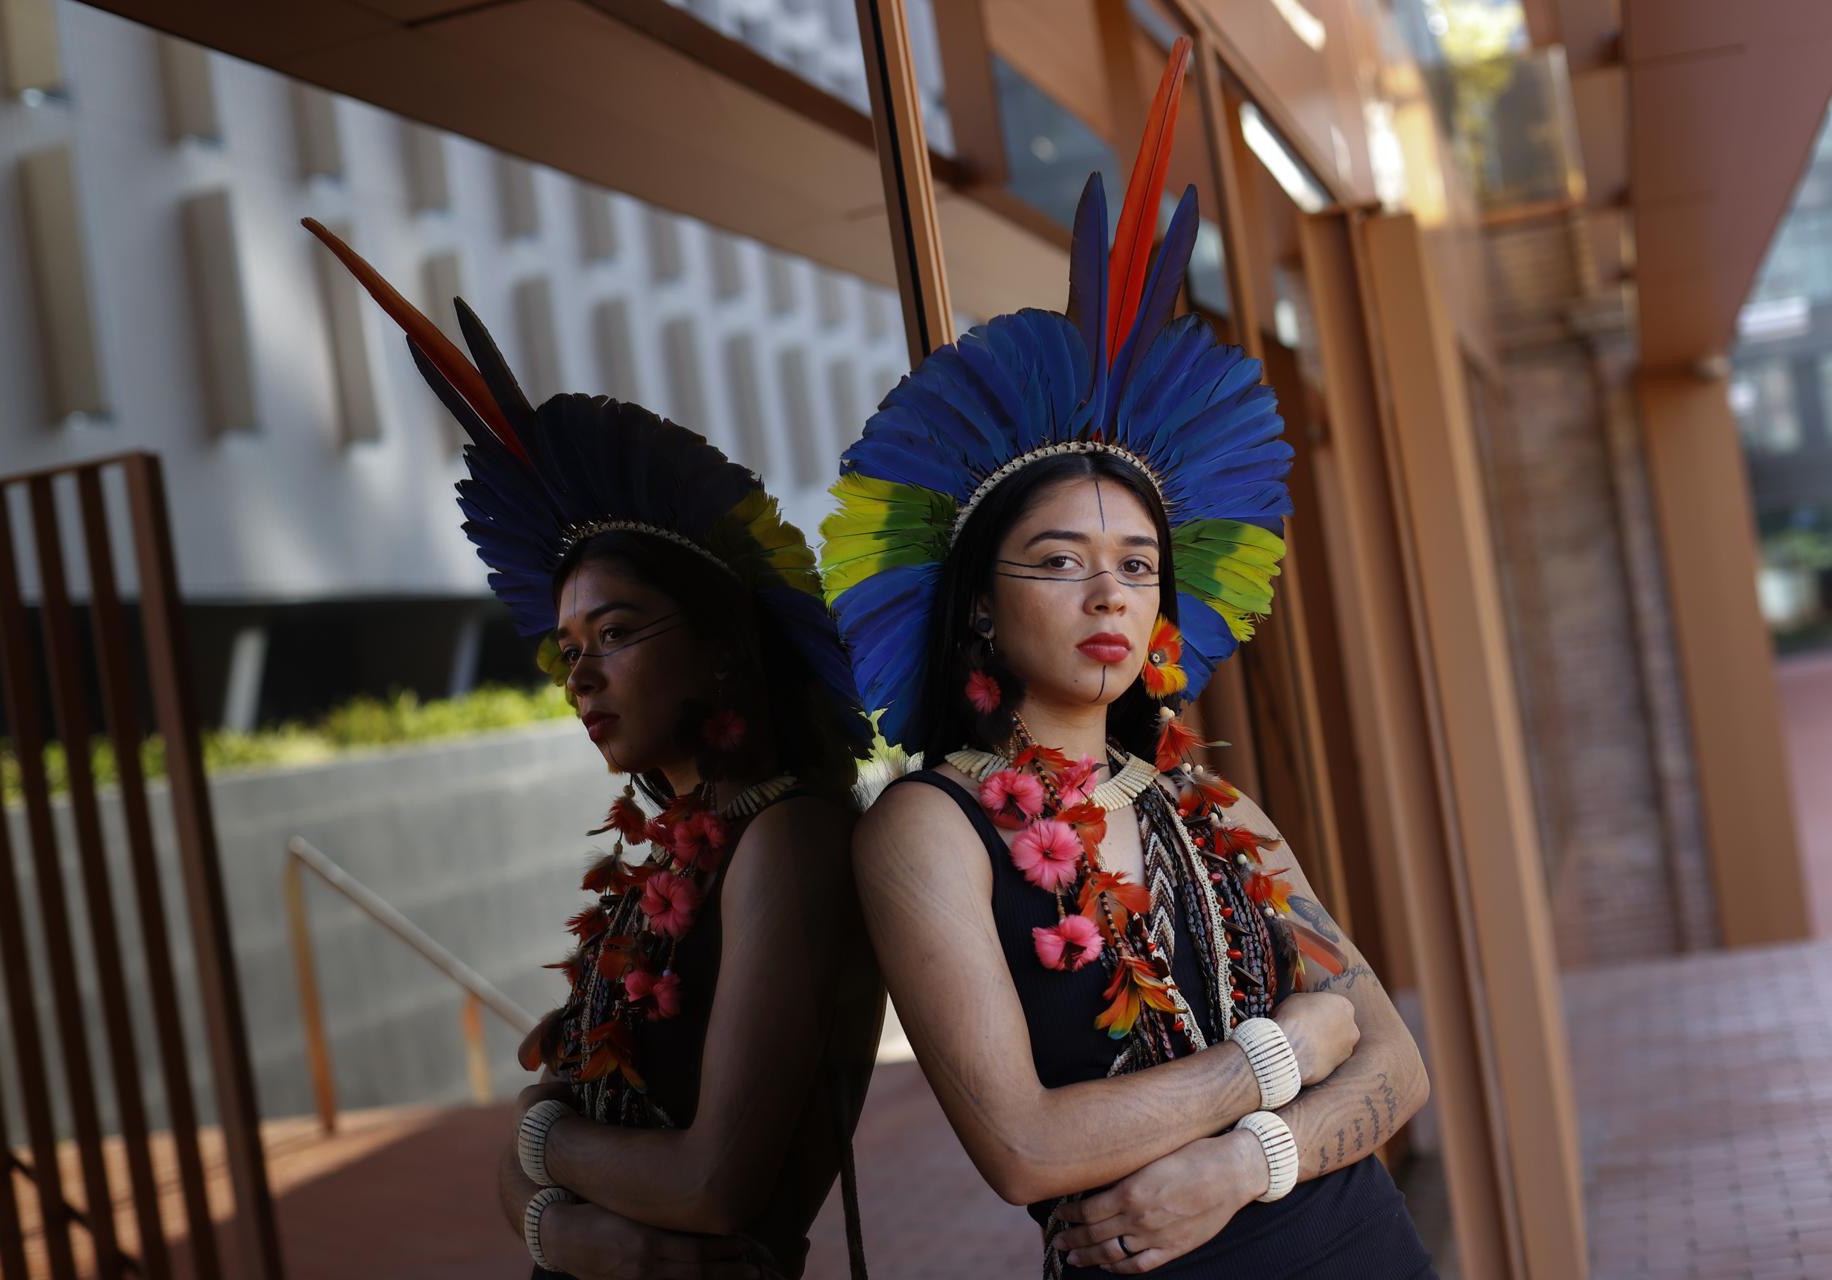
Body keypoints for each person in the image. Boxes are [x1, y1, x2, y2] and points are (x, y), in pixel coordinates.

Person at [818, 38, 1434, 1278]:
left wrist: (1240, 1162)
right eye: (1057, 559)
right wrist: (1282, 1051)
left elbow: (1399, 1062)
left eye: (1140, 563)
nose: (1110, 590)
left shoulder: (1217, 812)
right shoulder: (927, 831)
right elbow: (1025, 1145)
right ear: (980, 607)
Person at [307, 220, 884, 1280]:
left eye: (615, 634)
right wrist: (556, 1218)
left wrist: (536, 1142)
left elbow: (712, 1184)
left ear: (719, 652)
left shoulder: (791, 834)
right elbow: (561, 1132)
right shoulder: (681, 850)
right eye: (567, 647)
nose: (579, 676)